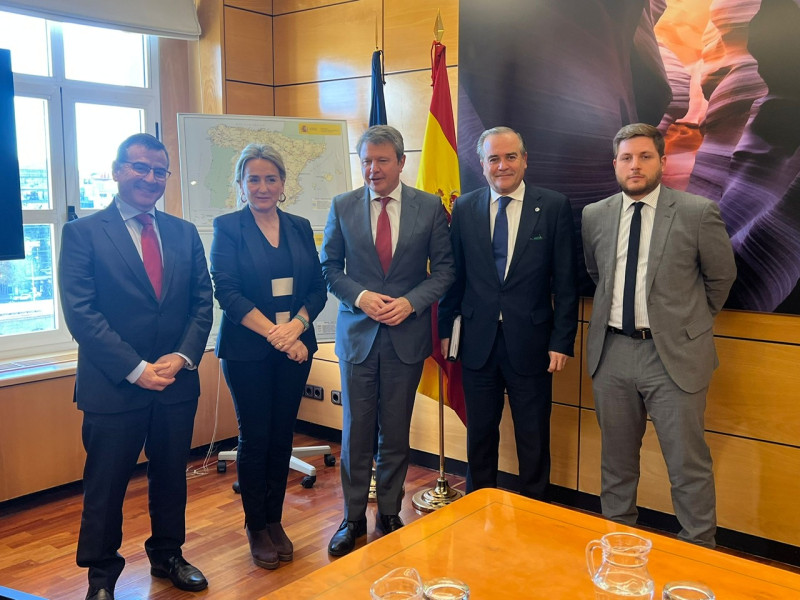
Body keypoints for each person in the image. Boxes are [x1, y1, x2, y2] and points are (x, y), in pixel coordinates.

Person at [58, 133, 213, 600]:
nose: (150, 178)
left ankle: (168, 555)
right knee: (104, 488)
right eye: (140, 167)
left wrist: (183, 356)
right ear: (117, 170)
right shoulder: (83, 232)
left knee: (171, 479)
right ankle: (101, 577)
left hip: (175, 383)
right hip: (114, 386)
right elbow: (82, 313)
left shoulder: (184, 233)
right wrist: (136, 368)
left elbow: (202, 305)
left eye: (159, 171)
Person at [581, 123, 736, 547]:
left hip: (674, 358)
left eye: (645, 156)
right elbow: (599, 275)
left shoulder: (696, 212)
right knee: (616, 463)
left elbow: (721, 278)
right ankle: (616, 550)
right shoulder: (594, 215)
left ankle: (699, 553)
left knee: (687, 465)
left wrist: (686, 325)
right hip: (611, 353)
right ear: (615, 165)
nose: (636, 165)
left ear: (663, 162)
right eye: (627, 158)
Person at [321, 124, 455, 556]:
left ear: (401, 162)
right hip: (357, 336)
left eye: (381, 160)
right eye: (366, 161)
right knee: (356, 431)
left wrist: (412, 303)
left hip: (406, 337)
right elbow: (329, 268)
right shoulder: (342, 206)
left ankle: (391, 512)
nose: (373, 169)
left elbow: (446, 271)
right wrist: (360, 297)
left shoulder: (430, 207)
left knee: (394, 430)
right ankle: (352, 517)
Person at [438, 126, 579, 500]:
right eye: (494, 159)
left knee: (533, 435)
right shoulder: (465, 207)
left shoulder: (551, 206)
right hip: (476, 342)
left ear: (525, 160)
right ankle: (477, 508)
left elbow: (566, 283)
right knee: (480, 434)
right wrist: (446, 330)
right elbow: (455, 276)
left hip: (532, 344)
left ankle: (536, 509)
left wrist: (562, 340)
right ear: (482, 165)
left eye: (510, 157)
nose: (503, 166)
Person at [210, 144, 327, 569]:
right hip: (247, 352)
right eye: (254, 179)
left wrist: (296, 328)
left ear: (283, 184)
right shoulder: (228, 227)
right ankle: (255, 526)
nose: (263, 187)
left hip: (296, 348)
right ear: (241, 185)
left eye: (270, 179)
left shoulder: (299, 226)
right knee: (255, 438)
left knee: (282, 436)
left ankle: (275, 521)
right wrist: (280, 335)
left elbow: (318, 286)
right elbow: (228, 292)